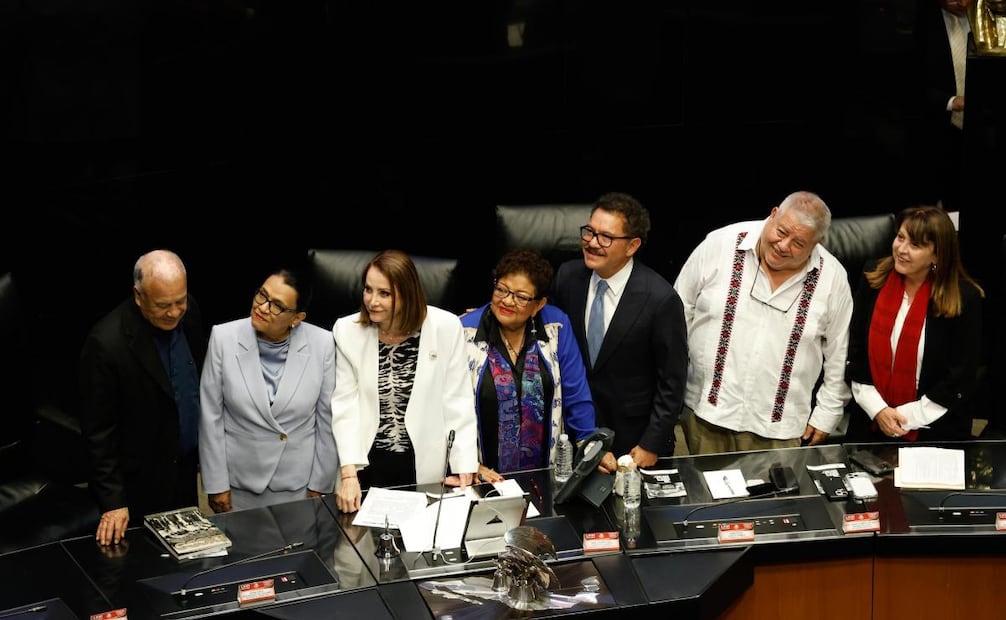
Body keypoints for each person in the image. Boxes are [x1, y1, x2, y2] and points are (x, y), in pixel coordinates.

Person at [673, 191, 853, 454]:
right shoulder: (720, 244)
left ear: (817, 243)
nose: (783, 246)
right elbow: (677, 314)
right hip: (702, 417)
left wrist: (827, 413)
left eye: (798, 243)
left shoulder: (833, 278)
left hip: (780, 431)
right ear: (773, 214)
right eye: (781, 232)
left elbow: (840, 352)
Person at [331, 249, 478, 513]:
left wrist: (464, 464)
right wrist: (348, 473)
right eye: (368, 290)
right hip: (367, 464)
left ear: (407, 293)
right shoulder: (347, 330)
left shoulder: (445, 326)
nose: (372, 301)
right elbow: (345, 406)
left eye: (384, 293)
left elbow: (457, 399)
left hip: (424, 463)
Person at [550, 192, 687, 469]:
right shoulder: (567, 277)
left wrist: (652, 443)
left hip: (632, 442)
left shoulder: (660, 299)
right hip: (572, 433)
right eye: (589, 231)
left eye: (605, 237)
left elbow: (672, 382)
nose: (591, 243)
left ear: (632, 245)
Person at [79, 249, 206, 546]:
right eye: (163, 305)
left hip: (184, 472)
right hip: (139, 484)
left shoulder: (191, 313)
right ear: (139, 296)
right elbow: (98, 432)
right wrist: (112, 500)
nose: (174, 312)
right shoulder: (106, 344)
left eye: (180, 301)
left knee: (187, 563)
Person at [460, 249, 611, 482]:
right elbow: (447, 412)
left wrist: (591, 446)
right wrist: (468, 465)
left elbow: (575, 393)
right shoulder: (463, 331)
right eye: (501, 289)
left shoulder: (556, 326)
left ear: (539, 304)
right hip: (483, 478)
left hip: (546, 476)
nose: (507, 301)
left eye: (521, 297)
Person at [199, 268, 339, 512]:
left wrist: (320, 483)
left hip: (299, 486)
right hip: (238, 485)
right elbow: (210, 415)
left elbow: (326, 420)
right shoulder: (223, 338)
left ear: (297, 318)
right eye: (262, 296)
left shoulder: (322, 343)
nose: (262, 307)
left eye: (277, 306)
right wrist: (215, 484)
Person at [845, 206, 984, 442]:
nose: (902, 249)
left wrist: (904, 416)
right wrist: (879, 410)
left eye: (916, 245)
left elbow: (961, 376)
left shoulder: (965, 298)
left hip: (933, 429)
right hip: (869, 421)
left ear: (937, 255)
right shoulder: (872, 278)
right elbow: (856, 353)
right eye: (900, 237)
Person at [915, 0, 972, 212]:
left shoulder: (990, 16)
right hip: (935, 130)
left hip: (983, 134)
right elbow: (910, 80)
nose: (962, 2)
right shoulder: (923, 20)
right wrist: (950, 101)